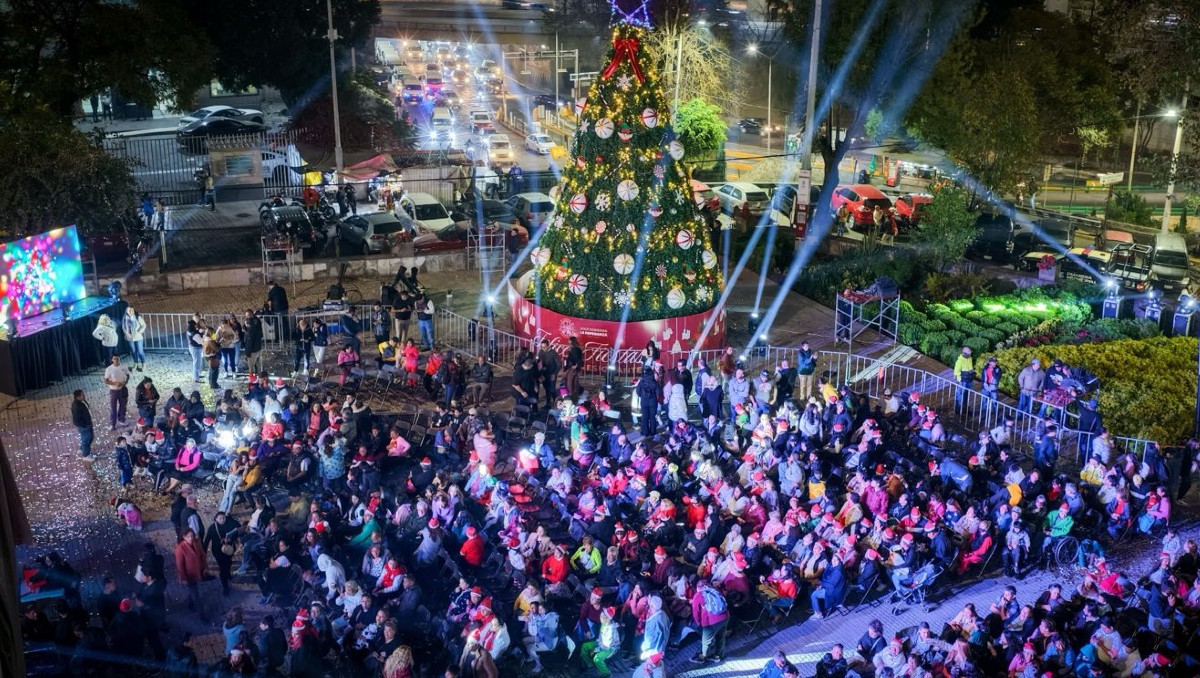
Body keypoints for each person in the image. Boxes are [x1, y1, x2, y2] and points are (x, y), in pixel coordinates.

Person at [690, 578, 728, 664]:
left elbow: (696, 612)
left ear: (697, 587)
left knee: (706, 641)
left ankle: (702, 657)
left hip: (711, 622)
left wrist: (699, 623)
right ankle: (718, 656)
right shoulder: (714, 590)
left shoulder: (698, 595)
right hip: (725, 616)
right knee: (721, 637)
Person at [173, 528, 208, 620]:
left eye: (192, 536)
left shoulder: (196, 542)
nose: (191, 538)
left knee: (193, 592)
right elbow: (180, 565)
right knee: (196, 596)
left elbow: (202, 555)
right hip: (189, 576)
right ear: (184, 537)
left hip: (198, 572)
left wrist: (205, 567)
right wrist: (183, 578)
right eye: (188, 536)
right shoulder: (180, 549)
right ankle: (203, 616)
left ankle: (190, 604)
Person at [103, 355, 131, 430]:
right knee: (113, 407)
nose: (117, 360)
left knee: (123, 406)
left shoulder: (124, 367)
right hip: (114, 391)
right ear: (112, 360)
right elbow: (106, 380)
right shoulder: (109, 369)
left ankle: (122, 419)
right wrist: (115, 384)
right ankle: (113, 424)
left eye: (118, 359)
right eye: (115, 359)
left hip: (123, 389)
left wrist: (125, 383)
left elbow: (128, 375)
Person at [71, 390, 95, 462]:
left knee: (87, 438)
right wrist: (85, 425)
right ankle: (86, 455)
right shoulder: (77, 406)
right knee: (87, 439)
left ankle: (82, 449)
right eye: (82, 395)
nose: (84, 396)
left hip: (85, 424)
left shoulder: (79, 403)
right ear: (78, 396)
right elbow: (76, 418)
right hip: (84, 426)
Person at [952, 346, 975, 411]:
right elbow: (956, 371)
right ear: (965, 353)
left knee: (966, 394)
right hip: (962, 381)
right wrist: (960, 380)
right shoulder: (960, 361)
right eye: (969, 353)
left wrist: (972, 372)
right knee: (960, 394)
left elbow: (970, 367)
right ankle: (958, 408)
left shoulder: (969, 358)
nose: (970, 354)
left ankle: (964, 408)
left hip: (969, 380)